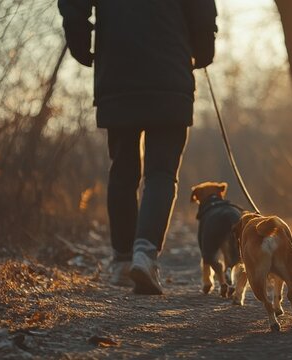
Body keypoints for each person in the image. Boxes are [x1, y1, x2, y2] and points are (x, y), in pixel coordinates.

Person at [57, 0, 218, 294]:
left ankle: (121, 261)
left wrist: (80, 43)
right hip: (169, 75)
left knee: (123, 169)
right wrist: (204, 49)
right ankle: (144, 255)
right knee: (161, 172)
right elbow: (203, 10)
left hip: (118, 73)